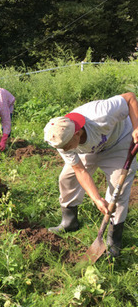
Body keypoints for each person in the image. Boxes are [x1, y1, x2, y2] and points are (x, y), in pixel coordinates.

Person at [43, 92, 138, 258]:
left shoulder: (101, 114)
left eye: (66, 146)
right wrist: (96, 198)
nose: (63, 150)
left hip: (118, 142)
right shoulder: (60, 137)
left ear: (77, 133)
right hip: (88, 149)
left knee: (119, 188)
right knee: (67, 178)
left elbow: (129, 97)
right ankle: (69, 221)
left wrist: (137, 127)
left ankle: (113, 238)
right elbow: (80, 170)